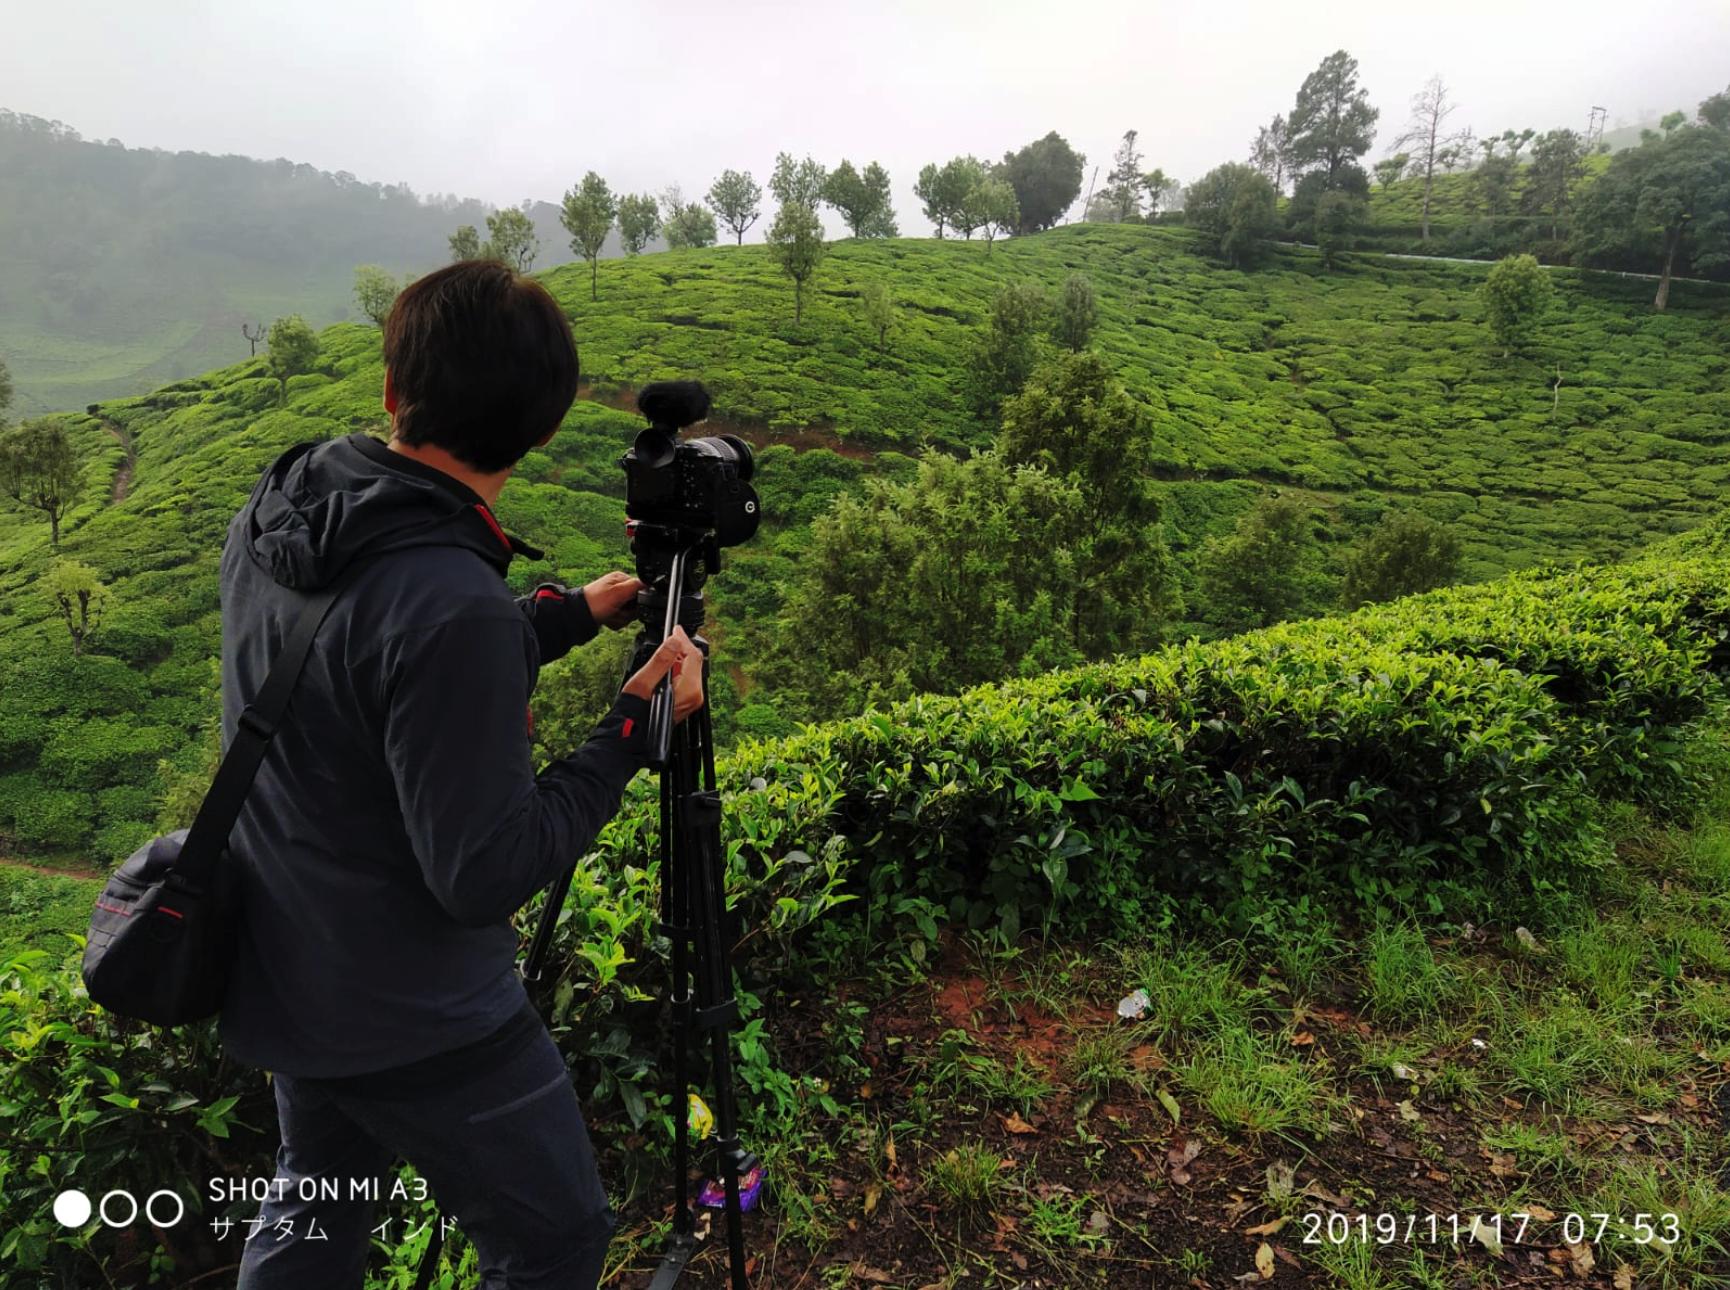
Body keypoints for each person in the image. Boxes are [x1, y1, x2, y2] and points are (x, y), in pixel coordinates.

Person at [222, 259, 700, 1288]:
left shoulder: (283, 504)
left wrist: (562, 618)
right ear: (541, 432)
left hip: (283, 960)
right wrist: (630, 728)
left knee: (314, 1211)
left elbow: (367, 667)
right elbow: (481, 873)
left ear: (393, 392)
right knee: (556, 1239)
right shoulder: (449, 604)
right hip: (414, 1011)